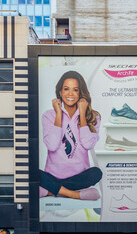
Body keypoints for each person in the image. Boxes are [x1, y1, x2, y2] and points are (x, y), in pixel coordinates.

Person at [39, 71, 103, 201]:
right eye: (66, 89)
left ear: (81, 93)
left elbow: (88, 144)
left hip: (79, 177)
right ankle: (73, 194)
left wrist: (83, 115)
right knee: (31, 172)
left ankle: (52, 190)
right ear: (60, 92)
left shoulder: (93, 117)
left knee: (96, 173)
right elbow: (52, 145)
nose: (70, 94)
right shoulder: (48, 116)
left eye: (75, 90)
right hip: (53, 176)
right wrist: (58, 114)